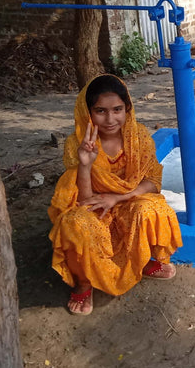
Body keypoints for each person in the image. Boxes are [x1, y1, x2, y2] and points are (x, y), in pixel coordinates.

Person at [48, 74, 183, 315]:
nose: (110, 119)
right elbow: (83, 199)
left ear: (127, 108)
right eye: (101, 111)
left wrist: (119, 197)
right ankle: (83, 282)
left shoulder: (138, 137)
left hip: (128, 201)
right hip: (95, 207)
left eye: (117, 109)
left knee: (153, 208)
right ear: (88, 111)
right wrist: (86, 164)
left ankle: (144, 261)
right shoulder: (77, 143)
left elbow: (152, 181)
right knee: (73, 224)